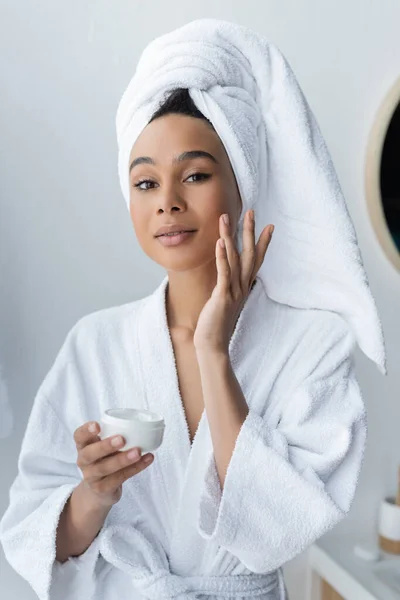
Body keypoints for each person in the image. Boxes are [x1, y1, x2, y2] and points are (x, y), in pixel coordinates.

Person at [0, 18, 386, 600]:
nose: (168, 204)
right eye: (146, 183)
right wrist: (94, 495)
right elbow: (36, 532)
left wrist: (213, 352)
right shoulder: (95, 343)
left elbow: (275, 530)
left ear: (243, 181)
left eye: (196, 175)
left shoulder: (314, 343)